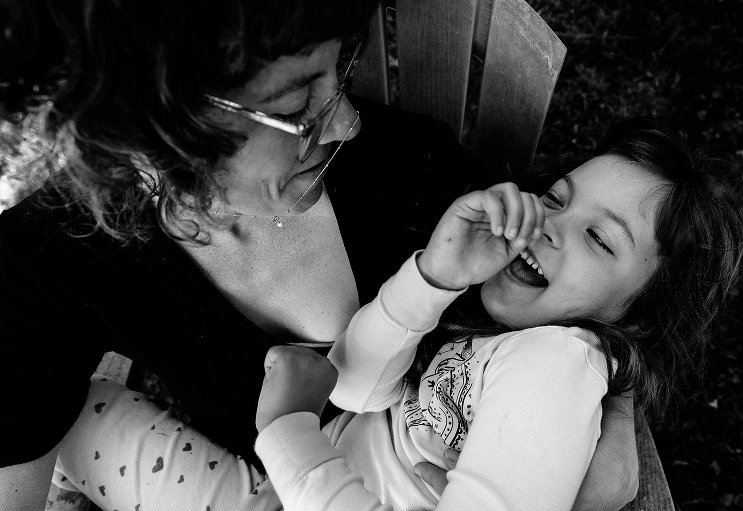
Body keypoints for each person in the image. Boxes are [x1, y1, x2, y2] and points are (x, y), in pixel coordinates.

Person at [0, 2, 637, 510]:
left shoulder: (419, 182)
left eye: (347, 65)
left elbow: (586, 316)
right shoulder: (46, 264)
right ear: (151, 130)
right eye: (297, 106)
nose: (348, 125)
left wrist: (615, 400)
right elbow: (360, 380)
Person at [250, 118, 743, 510]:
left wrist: (289, 433)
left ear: (636, 316)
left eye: (599, 238)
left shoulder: (555, 363)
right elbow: (355, 388)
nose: (548, 226)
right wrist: (434, 278)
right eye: (555, 199)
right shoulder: (507, 335)